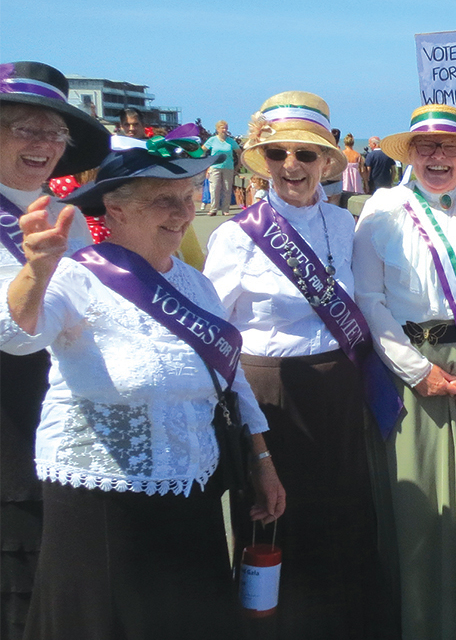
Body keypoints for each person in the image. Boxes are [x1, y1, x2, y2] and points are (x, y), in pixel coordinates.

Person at [2, 146, 284, 639]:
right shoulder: (77, 276)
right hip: (102, 501)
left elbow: (231, 380)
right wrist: (36, 271)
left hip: (192, 490)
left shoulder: (196, 285)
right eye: (162, 200)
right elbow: (18, 334)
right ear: (116, 209)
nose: (182, 213)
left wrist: (263, 461)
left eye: (187, 196)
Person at [204, 91, 386, 639]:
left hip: (337, 388)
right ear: (263, 161)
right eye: (279, 154)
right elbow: (216, 338)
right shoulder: (235, 235)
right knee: (275, 517)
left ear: (327, 164)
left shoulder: (343, 223)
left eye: (306, 156)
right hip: (269, 394)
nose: (292, 167)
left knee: (341, 514)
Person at [353, 104, 456, 640]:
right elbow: (369, 300)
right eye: (425, 148)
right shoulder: (382, 210)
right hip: (409, 373)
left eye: (449, 147)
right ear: (410, 155)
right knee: (420, 510)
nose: (437, 157)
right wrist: (414, 369)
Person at [0, 61, 110, 640]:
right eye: (26, 128)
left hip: (69, 425)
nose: (44, 143)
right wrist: (36, 274)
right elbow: (13, 338)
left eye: (55, 132)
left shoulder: (73, 220)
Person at [201, 119, 240, 216]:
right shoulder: (212, 140)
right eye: (222, 128)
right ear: (218, 129)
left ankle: (225, 209)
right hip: (215, 167)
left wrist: (238, 166)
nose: (224, 130)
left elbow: (240, 153)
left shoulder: (231, 141)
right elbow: (202, 151)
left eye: (226, 128)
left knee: (227, 189)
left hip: (228, 167)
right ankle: (213, 209)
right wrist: (204, 164)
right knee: (214, 188)